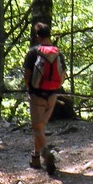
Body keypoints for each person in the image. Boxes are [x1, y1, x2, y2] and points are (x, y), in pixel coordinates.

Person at [22, 22, 61, 173]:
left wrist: (28, 89)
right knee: (41, 127)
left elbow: (27, 75)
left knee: (37, 128)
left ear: (38, 36)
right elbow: (62, 75)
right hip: (52, 95)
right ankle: (35, 158)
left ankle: (46, 153)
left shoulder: (33, 52)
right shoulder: (58, 53)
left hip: (37, 95)